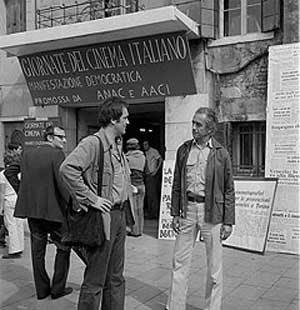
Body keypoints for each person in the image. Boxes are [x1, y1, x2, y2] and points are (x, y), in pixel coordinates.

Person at [60, 97, 134, 310]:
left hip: (119, 216)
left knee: (116, 277)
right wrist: (92, 198)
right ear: (113, 119)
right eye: (125, 118)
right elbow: (68, 169)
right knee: (96, 277)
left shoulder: (117, 145)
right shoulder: (93, 143)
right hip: (104, 216)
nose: (128, 122)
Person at [166, 107, 235, 310]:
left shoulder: (221, 154)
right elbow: (177, 183)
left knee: (214, 267)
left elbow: (229, 189)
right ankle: (175, 306)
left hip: (211, 212)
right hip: (187, 210)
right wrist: (175, 213)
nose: (194, 127)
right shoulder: (184, 150)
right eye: (193, 123)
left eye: (199, 124)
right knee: (179, 262)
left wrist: (228, 221)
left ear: (210, 129)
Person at [14, 125, 72, 300]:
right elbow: (62, 184)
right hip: (54, 211)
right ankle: (57, 288)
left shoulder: (27, 154)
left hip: (32, 211)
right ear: (49, 137)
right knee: (63, 248)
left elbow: (15, 174)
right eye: (60, 137)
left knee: (37, 252)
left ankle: (41, 290)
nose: (64, 140)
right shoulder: (57, 154)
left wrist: (22, 193)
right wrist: (73, 203)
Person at [0, 150, 25, 259]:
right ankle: (20, 247)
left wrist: (1, 207)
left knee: (10, 225)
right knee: (19, 224)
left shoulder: (2, 174)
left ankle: (14, 250)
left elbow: (1, 192)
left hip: (8, 199)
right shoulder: (18, 174)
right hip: (18, 199)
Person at [125, 138, 146, 237]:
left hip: (132, 185)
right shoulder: (142, 156)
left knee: (133, 209)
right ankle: (140, 230)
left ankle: (134, 231)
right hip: (141, 184)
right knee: (140, 209)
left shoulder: (127, 158)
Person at [143, 140, 163, 219]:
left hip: (153, 175)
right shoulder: (144, 153)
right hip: (147, 175)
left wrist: (156, 170)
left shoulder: (153, 151)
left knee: (153, 195)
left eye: (146, 144)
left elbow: (160, 159)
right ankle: (150, 212)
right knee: (148, 195)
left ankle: (154, 213)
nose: (145, 146)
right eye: (143, 145)